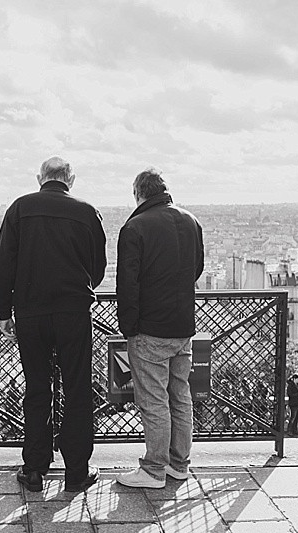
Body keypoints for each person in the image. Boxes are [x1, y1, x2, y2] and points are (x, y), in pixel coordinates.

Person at [0, 156, 107, 493]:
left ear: (40, 177)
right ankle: (76, 470)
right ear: (71, 179)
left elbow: (3, 266)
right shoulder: (87, 212)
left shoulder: (20, 209)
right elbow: (97, 268)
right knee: (78, 388)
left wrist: (3, 312)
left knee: (38, 389)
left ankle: (36, 468)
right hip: (73, 312)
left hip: (31, 312)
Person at [114, 167, 205, 489]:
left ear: (139, 193)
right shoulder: (191, 221)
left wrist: (129, 328)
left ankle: (153, 469)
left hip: (150, 327)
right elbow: (197, 269)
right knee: (180, 396)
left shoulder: (135, 227)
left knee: (153, 400)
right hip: (183, 326)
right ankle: (179, 464)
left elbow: (128, 284)